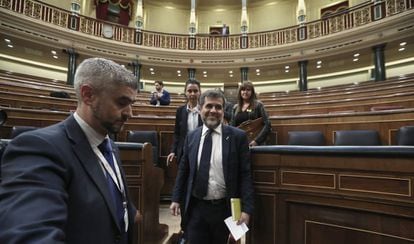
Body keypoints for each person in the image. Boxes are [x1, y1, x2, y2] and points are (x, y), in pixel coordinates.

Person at [0, 58, 141, 244]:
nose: (129, 113)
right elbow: (30, 233)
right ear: (88, 95)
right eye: (122, 102)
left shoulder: (110, 146)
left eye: (131, 103)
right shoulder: (39, 147)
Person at [170, 90, 254, 244]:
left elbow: (245, 175)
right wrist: (176, 198)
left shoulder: (238, 137)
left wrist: (247, 209)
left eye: (218, 107)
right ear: (200, 108)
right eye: (209, 106)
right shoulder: (192, 136)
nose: (213, 111)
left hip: (224, 210)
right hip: (196, 208)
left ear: (223, 111)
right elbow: (184, 170)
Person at [166, 79, 202, 165]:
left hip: (201, 149)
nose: (192, 94)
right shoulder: (180, 111)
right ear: (185, 92)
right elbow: (177, 133)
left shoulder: (204, 110)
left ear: (200, 92)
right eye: (189, 91)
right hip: (184, 150)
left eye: (195, 91)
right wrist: (173, 151)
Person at [230, 81, 271, 147]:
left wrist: (257, 141)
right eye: (243, 90)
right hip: (239, 142)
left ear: (252, 92)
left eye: (248, 90)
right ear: (240, 92)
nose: (245, 92)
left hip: (254, 142)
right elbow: (232, 126)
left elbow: (267, 124)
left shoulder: (258, 105)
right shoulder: (235, 107)